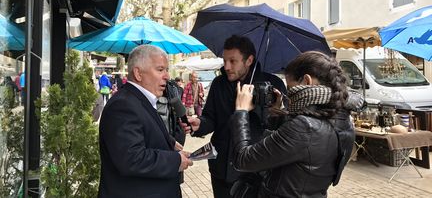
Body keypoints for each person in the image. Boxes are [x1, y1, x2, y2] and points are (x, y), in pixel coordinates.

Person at [230, 51, 357, 198]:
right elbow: (295, 153)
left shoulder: (304, 127)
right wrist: (278, 114)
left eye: (290, 89)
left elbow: (243, 160)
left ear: (306, 81)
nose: (289, 97)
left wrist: (241, 111)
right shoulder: (344, 119)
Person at [181, 35, 288, 198]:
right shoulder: (218, 84)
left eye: (233, 61)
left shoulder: (272, 85)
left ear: (249, 60)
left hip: (254, 172)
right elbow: (211, 119)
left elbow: (280, 130)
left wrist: (267, 110)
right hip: (221, 169)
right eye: (224, 60)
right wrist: (199, 124)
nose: (227, 66)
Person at [98, 45, 193, 198]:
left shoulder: (139, 100)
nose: (167, 76)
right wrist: (175, 161)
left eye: (167, 70)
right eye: (160, 69)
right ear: (138, 73)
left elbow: (144, 130)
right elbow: (131, 158)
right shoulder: (122, 105)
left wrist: (169, 141)